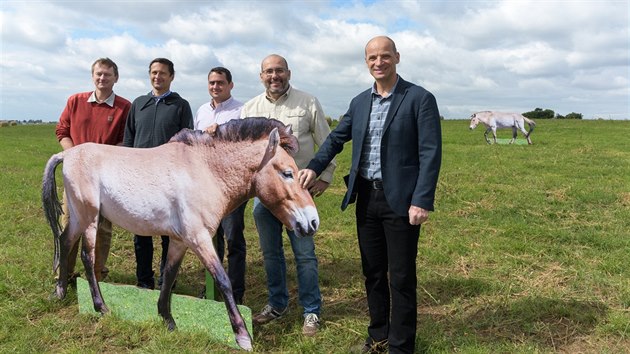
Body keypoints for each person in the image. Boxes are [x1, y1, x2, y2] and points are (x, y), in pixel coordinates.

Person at [298, 36, 442, 353]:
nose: (379, 62)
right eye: (372, 57)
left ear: (397, 58)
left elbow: (430, 152)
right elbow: (336, 138)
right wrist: (314, 167)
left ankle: (401, 346)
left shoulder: (419, 98)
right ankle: (378, 335)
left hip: (402, 202)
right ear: (367, 62)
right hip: (366, 198)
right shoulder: (360, 102)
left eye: (385, 56)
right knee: (373, 272)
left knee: (401, 276)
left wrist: (422, 199)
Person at [240, 54, 336, 336]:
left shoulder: (307, 102)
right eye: (268, 72)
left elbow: (327, 143)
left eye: (279, 71)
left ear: (288, 73)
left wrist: (324, 176)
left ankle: (311, 312)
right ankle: (277, 304)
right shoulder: (250, 109)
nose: (274, 76)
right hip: (265, 198)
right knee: (271, 254)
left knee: (304, 255)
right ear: (261, 76)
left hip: (298, 196)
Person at [55, 57, 131, 282]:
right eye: (98, 74)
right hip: (76, 176)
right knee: (70, 224)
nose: (102, 78)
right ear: (92, 76)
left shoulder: (124, 107)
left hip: (105, 178)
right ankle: (64, 276)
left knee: (102, 228)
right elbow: (62, 130)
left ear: (116, 78)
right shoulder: (75, 101)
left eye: (107, 74)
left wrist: (102, 161)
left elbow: (124, 140)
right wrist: (74, 155)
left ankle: (96, 275)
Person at [123, 57, 194, 289]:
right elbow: (129, 140)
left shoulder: (180, 105)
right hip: (139, 179)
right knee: (140, 233)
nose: (157, 77)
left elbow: (187, 143)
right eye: (154, 72)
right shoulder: (138, 104)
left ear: (171, 77)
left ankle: (167, 281)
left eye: (163, 73)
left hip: (168, 181)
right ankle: (144, 281)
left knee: (168, 233)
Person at [194, 66, 247, 304]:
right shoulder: (201, 111)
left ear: (230, 85)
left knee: (234, 238)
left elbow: (244, 147)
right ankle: (213, 288)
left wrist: (222, 134)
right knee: (209, 240)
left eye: (220, 83)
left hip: (231, 187)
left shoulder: (241, 110)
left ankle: (236, 293)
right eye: (212, 83)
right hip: (205, 186)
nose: (216, 87)